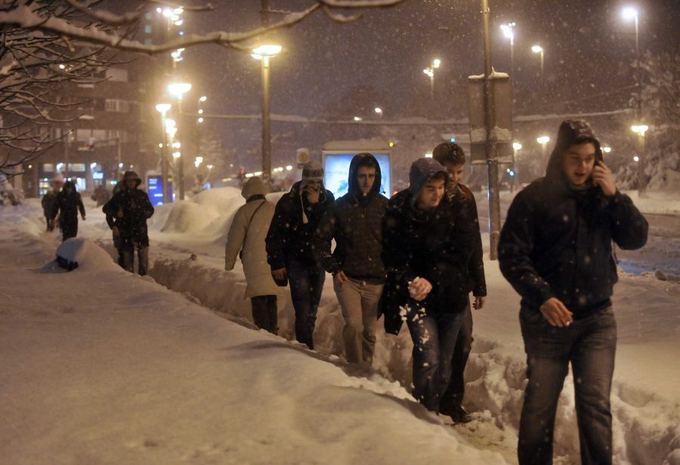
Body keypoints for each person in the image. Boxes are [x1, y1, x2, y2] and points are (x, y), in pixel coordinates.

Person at [498, 120, 648, 465]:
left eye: (589, 158)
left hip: (596, 319)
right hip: (546, 321)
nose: (582, 167)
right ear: (559, 157)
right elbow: (512, 255)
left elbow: (636, 237)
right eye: (575, 158)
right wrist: (542, 296)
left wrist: (616, 197)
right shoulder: (534, 199)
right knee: (540, 405)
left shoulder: (603, 198)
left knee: (595, 406)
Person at [380, 158, 472, 412]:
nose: (437, 193)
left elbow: (461, 255)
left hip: (452, 300)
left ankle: (432, 407)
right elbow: (392, 257)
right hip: (417, 300)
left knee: (443, 364)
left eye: (441, 187)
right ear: (417, 187)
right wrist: (411, 280)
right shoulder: (400, 214)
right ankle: (425, 412)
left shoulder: (454, 212)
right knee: (428, 357)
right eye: (431, 188)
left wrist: (432, 278)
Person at [314, 153, 388, 366]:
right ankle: (356, 368)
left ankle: (366, 367)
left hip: (376, 280)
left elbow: (396, 241)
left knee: (370, 331)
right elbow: (320, 239)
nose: (367, 181)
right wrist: (334, 266)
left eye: (371, 176)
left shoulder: (384, 207)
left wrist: (391, 269)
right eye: (362, 175)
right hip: (349, 279)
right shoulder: (340, 207)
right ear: (353, 177)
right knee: (354, 325)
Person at [432, 142, 487, 423]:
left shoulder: (466, 198)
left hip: (459, 285)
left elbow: (474, 243)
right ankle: (432, 400)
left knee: (463, 342)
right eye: (449, 171)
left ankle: (452, 401)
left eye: (459, 172)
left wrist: (479, 284)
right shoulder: (428, 195)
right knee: (436, 346)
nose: (454, 178)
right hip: (430, 286)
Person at [266, 161, 335, 350]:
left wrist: (316, 206)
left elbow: (326, 229)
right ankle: (306, 348)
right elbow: (275, 234)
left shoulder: (327, 199)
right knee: (303, 308)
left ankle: (305, 343)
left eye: (317, 181)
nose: (313, 185)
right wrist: (277, 263)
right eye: (310, 180)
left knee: (312, 309)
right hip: (296, 261)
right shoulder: (289, 201)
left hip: (318, 261)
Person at [225, 177, 279, 334]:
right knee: (270, 294)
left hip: (253, 261)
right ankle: (273, 329)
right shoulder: (273, 209)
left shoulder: (243, 212)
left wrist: (230, 262)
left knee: (258, 295)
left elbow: (233, 240)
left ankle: (263, 330)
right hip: (272, 259)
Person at [103, 171, 155, 275]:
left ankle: (145, 284)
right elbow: (106, 209)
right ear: (125, 182)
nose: (131, 183)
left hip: (140, 232)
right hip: (125, 232)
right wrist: (115, 220)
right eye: (129, 181)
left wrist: (142, 214)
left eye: (133, 181)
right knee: (127, 265)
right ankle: (129, 285)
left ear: (136, 182)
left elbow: (150, 210)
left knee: (143, 263)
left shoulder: (141, 195)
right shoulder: (120, 196)